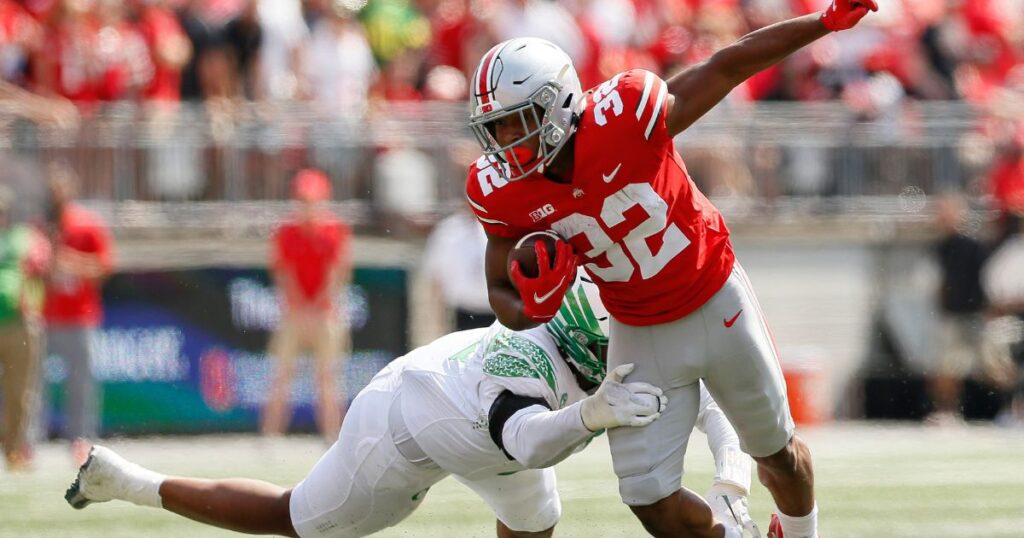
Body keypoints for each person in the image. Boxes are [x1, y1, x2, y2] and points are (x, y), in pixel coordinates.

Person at [463, 3, 879, 536]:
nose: (506, 144)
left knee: (778, 454)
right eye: (494, 129)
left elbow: (728, 65)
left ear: (560, 103)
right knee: (647, 497)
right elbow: (501, 292)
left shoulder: (625, 114)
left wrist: (821, 24)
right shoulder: (500, 190)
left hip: (714, 293)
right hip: (637, 324)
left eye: (517, 123)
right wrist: (530, 308)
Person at [65, 275, 760, 538]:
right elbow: (527, 442)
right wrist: (591, 415)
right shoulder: (527, 359)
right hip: (412, 426)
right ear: (582, 340)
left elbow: (704, 390)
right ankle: (130, 482)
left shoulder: (600, 334)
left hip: (492, 434)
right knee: (294, 518)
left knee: (537, 523)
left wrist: (731, 477)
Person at [263, 169, 352, 442]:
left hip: (324, 313)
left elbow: (338, 272)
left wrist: (316, 305)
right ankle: (271, 435)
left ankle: (332, 435)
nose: (307, 207)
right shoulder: (286, 232)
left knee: (327, 377)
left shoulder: (334, 230)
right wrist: (302, 305)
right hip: (296, 312)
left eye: (312, 200)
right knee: (281, 375)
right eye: (302, 200)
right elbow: (283, 272)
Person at [44, 165, 115, 465]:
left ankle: (81, 438)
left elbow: (105, 266)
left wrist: (72, 264)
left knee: (80, 382)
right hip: (44, 314)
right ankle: (29, 439)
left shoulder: (86, 225)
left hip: (79, 315)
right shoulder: (39, 227)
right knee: (33, 384)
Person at [0, 186, 50, 471]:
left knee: (20, 392)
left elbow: (43, 262)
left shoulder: (26, 238)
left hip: (19, 323)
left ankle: (15, 450)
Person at [422, 206, 496, 331]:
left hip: (499, 312)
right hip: (464, 312)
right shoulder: (449, 232)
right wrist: (437, 322)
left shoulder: (502, 227)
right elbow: (436, 278)